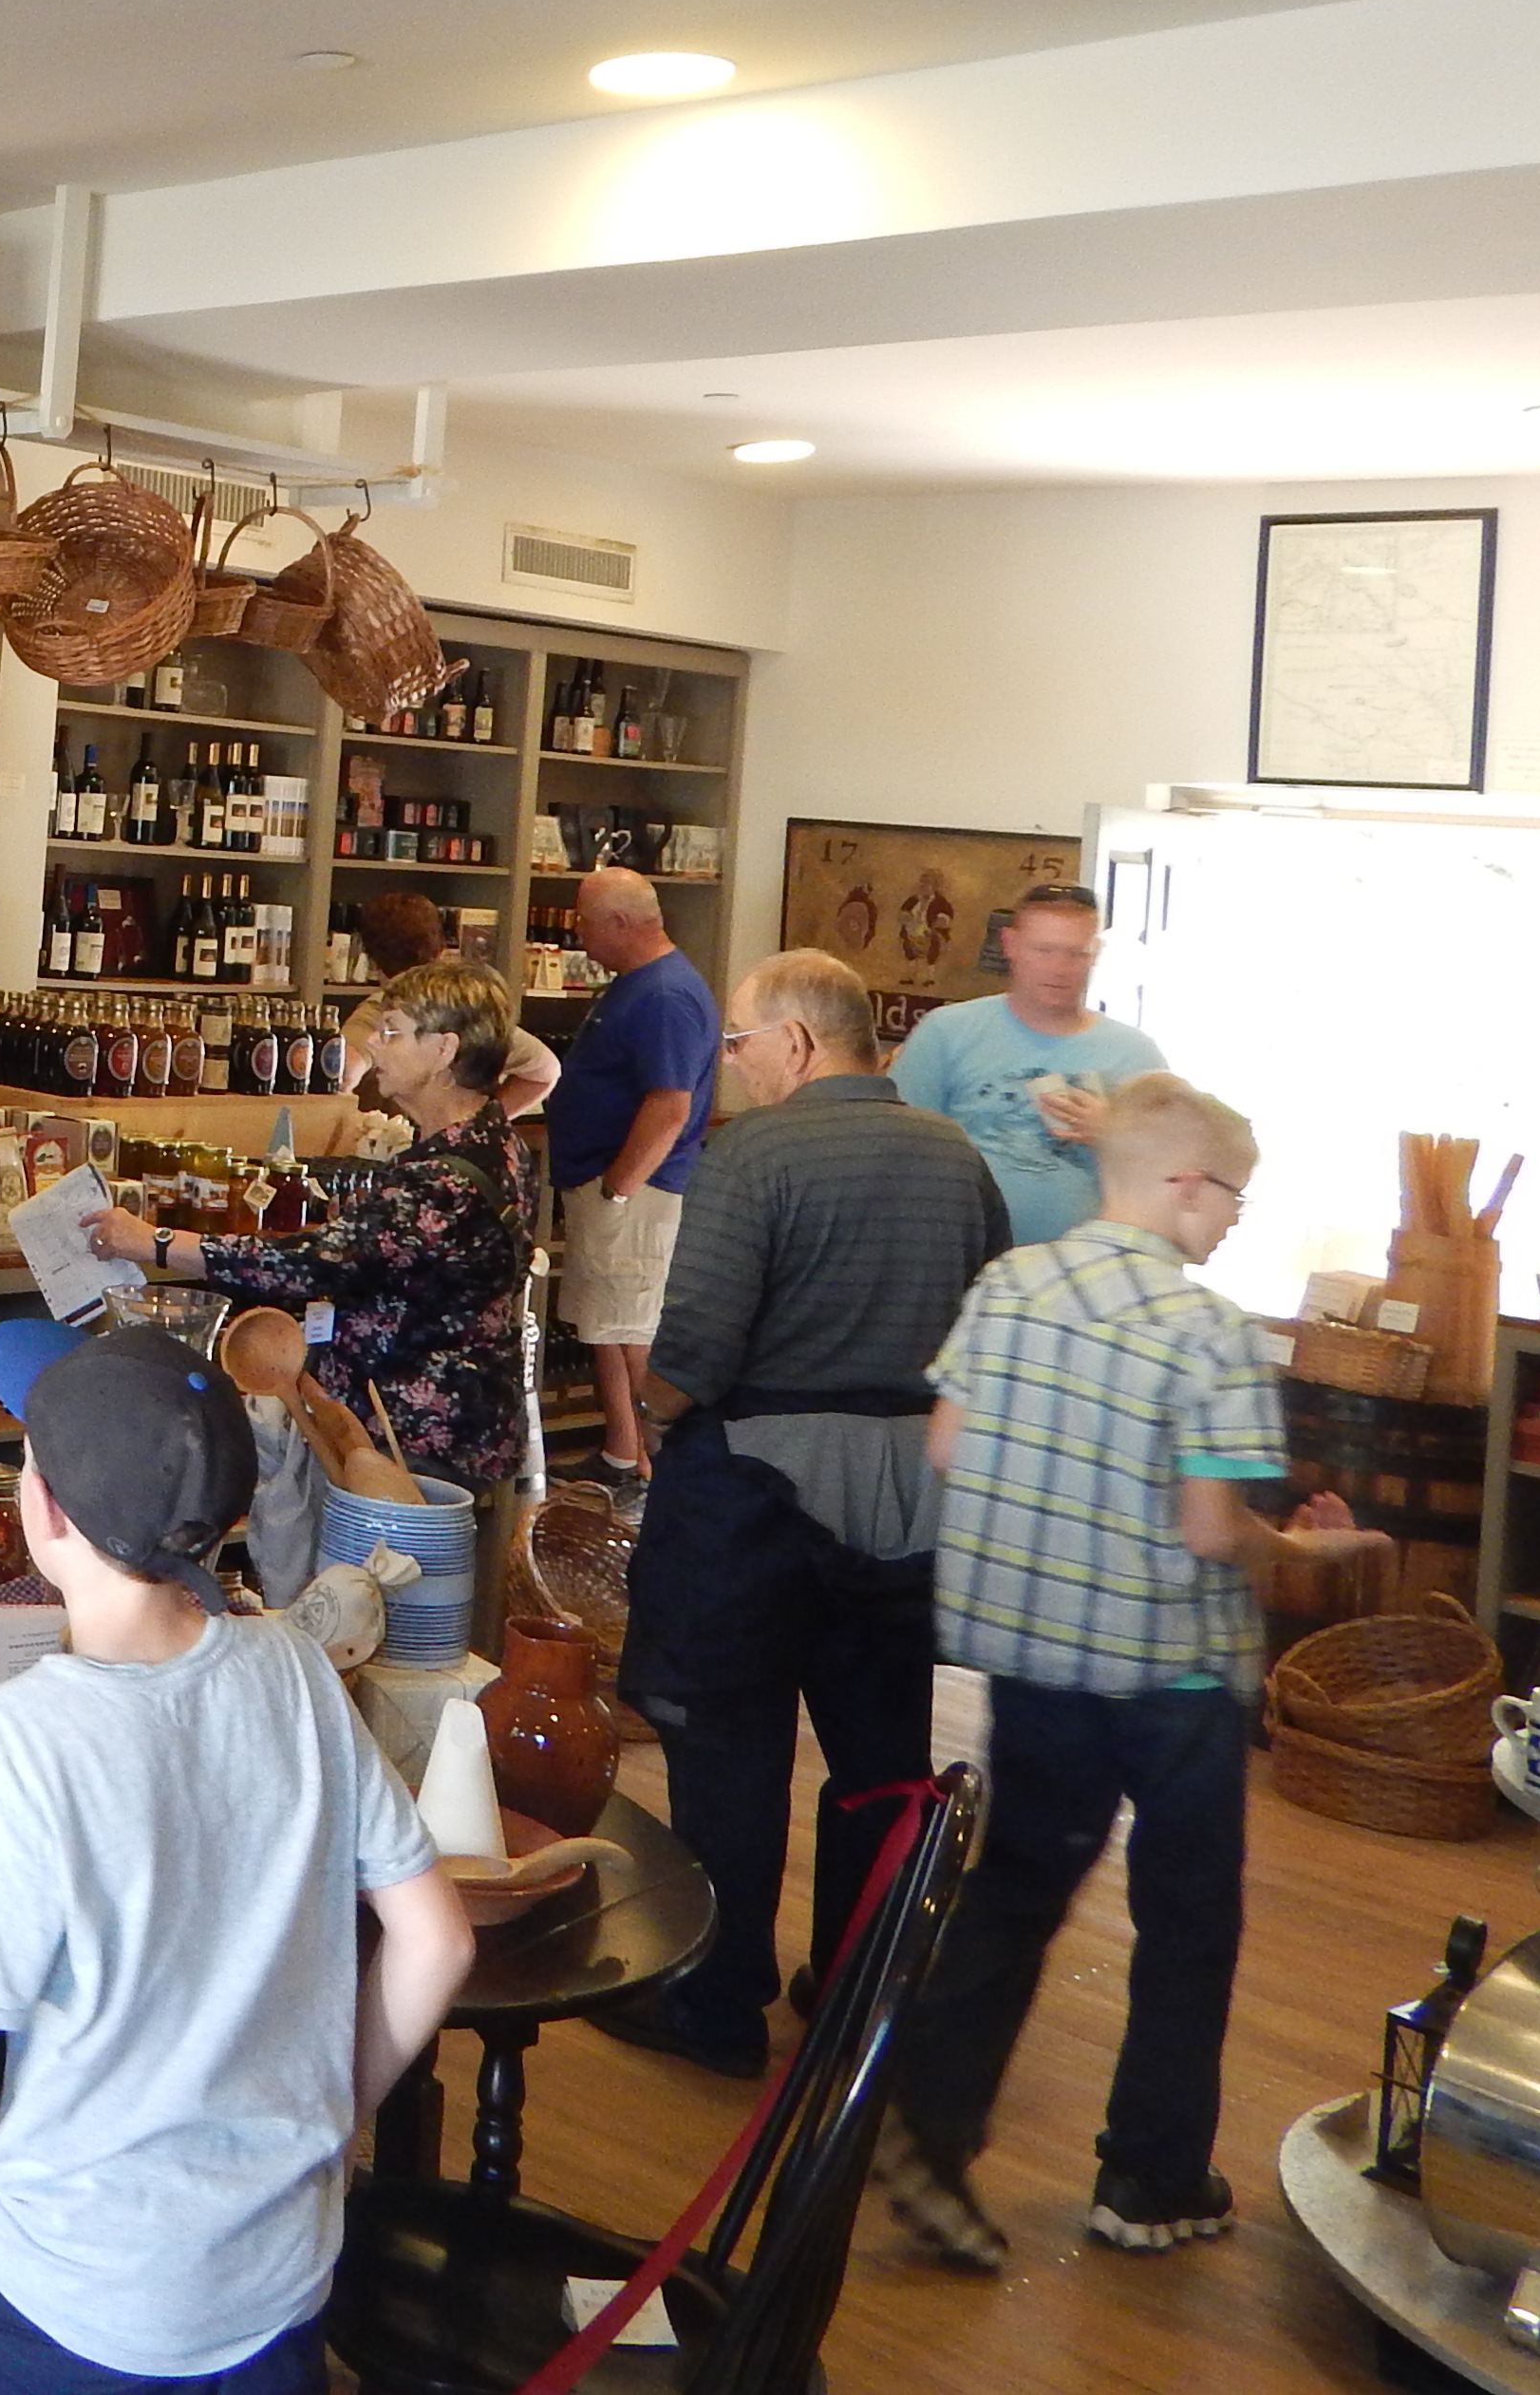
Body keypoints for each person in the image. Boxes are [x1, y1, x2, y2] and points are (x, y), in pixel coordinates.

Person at [0, 1314, 474, 2395]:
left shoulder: (20, 1738)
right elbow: (437, 1940)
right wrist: (331, 2114)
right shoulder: (297, 1671)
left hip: (76, 2286)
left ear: (40, 1511)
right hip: (278, 2273)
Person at [882, 1074, 1354, 2268]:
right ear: (1186, 1186)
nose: (1234, 1220)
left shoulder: (1011, 1285)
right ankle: (1150, 2179)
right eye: (1234, 1197)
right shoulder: (1211, 1331)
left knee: (1017, 1888)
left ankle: (929, 2129)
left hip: (1032, 1655)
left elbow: (948, 1446)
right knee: (1186, 1921)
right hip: (1171, 1675)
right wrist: (1302, 1551)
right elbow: (1210, 1532)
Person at [597, 948, 1007, 2081]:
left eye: (740, 1043)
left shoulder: (757, 1152)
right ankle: (857, 1993)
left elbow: (699, 1344)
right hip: (911, 1494)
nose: (733, 1064)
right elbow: (988, 1329)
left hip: (758, 1486)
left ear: (798, 1041)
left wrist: (653, 1419)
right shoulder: (957, 1155)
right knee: (882, 1756)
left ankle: (715, 2003)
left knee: (731, 1750)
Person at [84, 960, 535, 1496]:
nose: (374, 1045)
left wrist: (154, 1242)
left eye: (392, 1032)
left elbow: (309, 1264)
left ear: (444, 1050)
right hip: (459, 1420)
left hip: (412, 1438)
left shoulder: (441, 1180)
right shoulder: (498, 1142)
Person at [545, 869, 720, 1502]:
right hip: (608, 1186)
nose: (578, 933)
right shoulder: (635, 983)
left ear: (620, 923)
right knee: (608, 1327)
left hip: (636, 1193)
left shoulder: (666, 994)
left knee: (635, 1331)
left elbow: (670, 1105)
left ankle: (668, 1476)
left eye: (585, 921)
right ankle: (624, 1453)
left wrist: (619, 1187)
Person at [892, 882, 1168, 1247]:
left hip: (1083, 1265)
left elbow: (1176, 1175)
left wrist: (1112, 1135)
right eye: (1044, 950)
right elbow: (897, 1146)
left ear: (1096, 954)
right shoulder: (946, 1033)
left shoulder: (1134, 1055)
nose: (1060, 969)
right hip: (957, 1252)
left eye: (1076, 954)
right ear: (1010, 944)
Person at [350, 891, 558, 1121]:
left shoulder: (378, 1010)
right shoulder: (471, 1011)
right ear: (441, 948)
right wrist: (482, 1122)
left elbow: (345, 1072)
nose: (375, 1041)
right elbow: (545, 1070)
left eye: (391, 1033)